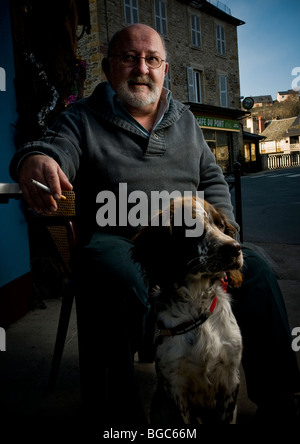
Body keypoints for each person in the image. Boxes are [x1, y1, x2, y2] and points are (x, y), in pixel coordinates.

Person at [10, 24, 300, 425]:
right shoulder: (82, 118)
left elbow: (213, 179)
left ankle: (280, 394)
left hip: (192, 238)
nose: (141, 68)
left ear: (165, 68)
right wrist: (36, 159)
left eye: (152, 59)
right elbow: (53, 150)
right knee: (120, 275)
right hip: (120, 237)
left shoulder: (185, 120)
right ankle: (119, 412)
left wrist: (225, 233)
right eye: (129, 58)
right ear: (110, 67)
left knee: (260, 270)